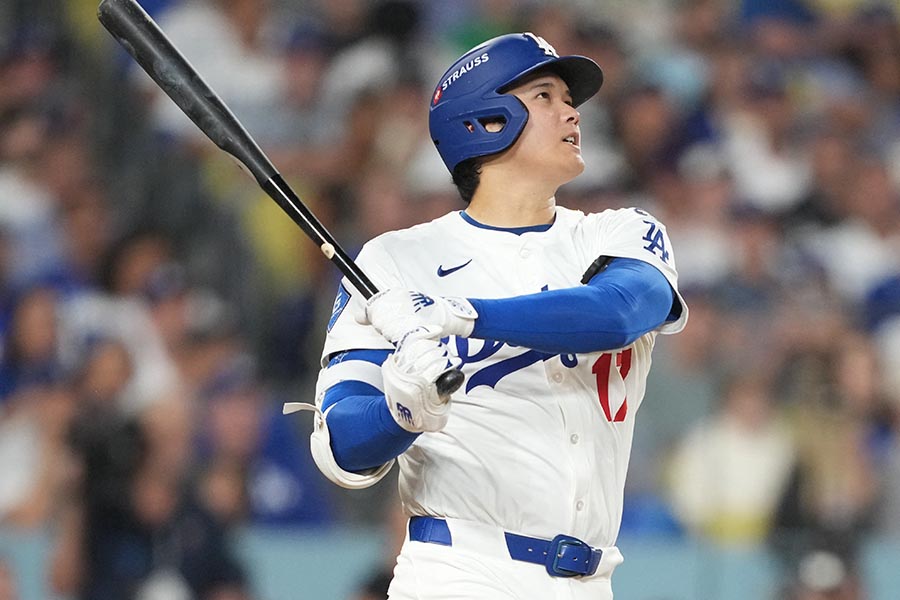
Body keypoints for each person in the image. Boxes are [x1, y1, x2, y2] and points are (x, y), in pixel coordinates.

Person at [285, 32, 688, 599]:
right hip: (460, 571)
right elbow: (340, 448)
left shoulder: (617, 232)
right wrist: (401, 413)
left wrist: (460, 314)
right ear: (485, 120)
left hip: (590, 582)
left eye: (567, 98)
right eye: (545, 96)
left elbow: (620, 312)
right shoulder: (397, 260)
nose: (572, 110)